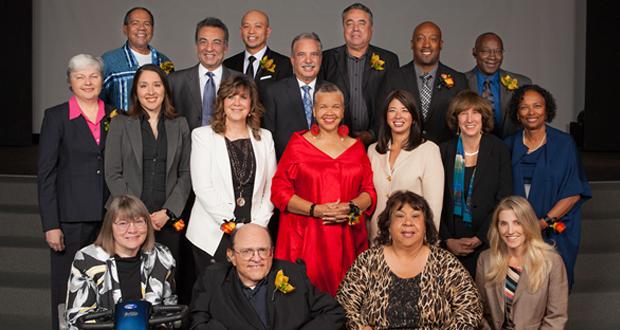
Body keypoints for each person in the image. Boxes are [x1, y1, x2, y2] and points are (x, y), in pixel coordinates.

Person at [271, 82, 377, 296]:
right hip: (306, 241)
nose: (330, 113)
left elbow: (369, 192)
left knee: (345, 304)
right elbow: (279, 191)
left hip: (346, 239)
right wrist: (315, 210)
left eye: (335, 107)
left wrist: (350, 208)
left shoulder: (356, 147)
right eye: (323, 107)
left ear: (343, 110)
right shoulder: (298, 144)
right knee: (305, 304)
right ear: (314, 110)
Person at [37, 54, 113, 330]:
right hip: (69, 219)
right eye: (80, 77)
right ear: (69, 81)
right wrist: (51, 224)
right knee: (66, 287)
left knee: (104, 284)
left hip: (107, 216)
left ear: (102, 80)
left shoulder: (114, 114)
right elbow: (46, 174)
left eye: (93, 75)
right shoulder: (56, 117)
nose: (87, 82)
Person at [337, 191, 482, 329]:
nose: (408, 222)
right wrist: (361, 327)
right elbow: (344, 304)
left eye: (415, 216)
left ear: (425, 226)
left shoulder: (444, 262)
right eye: (400, 216)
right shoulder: (368, 261)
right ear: (388, 225)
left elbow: (471, 308)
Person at [186, 74, 276, 275]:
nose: (237, 103)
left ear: (251, 104)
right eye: (231, 97)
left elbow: (272, 187)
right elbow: (202, 188)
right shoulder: (202, 136)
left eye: (243, 97)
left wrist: (255, 227)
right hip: (212, 233)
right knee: (216, 295)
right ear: (221, 102)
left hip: (255, 230)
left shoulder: (265, 138)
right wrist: (234, 227)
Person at [505, 84, 591, 288]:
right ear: (517, 114)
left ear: (547, 110)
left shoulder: (564, 144)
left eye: (537, 106)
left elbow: (572, 193)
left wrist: (541, 223)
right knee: (517, 291)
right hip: (515, 231)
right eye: (524, 107)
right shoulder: (507, 145)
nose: (531, 112)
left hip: (554, 228)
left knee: (552, 288)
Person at [105, 64, 191, 267]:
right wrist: (137, 215)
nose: (151, 92)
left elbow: (186, 173)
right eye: (144, 86)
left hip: (166, 221)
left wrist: (168, 212)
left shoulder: (180, 124)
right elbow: (112, 173)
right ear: (136, 91)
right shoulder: (120, 123)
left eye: (157, 85)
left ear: (165, 90)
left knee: (167, 282)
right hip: (127, 220)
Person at [190, 224, 345, 329]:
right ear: (231, 256)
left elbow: (334, 313)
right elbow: (197, 323)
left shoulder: (292, 272)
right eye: (247, 251)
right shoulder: (212, 278)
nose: (256, 258)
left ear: (271, 252)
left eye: (263, 250)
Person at [65, 195, 177, 329]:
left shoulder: (162, 256)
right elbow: (77, 317)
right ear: (109, 227)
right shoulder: (87, 260)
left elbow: (170, 311)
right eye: (123, 223)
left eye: (139, 222)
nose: (132, 230)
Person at [440, 90, 512, 276]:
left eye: (475, 112)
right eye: (463, 113)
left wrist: (480, 238)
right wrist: (447, 240)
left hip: (489, 242)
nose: (469, 119)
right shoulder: (444, 151)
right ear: (456, 119)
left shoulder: (498, 149)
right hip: (450, 246)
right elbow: (434, 199)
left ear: (483, 117)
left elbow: (504, 199)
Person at [476, 196, 568, 329]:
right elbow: (479, 310)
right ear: (497, 227)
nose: (510, 231)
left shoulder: (552, 262)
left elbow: (556, 318)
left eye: (517, 222)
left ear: (528, 224)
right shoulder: (485, 259)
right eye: (503, 224)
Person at [368, 89, 444, 241]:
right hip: (377, 239)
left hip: (412, 240)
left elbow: (434, 206)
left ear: (414, 117)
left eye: (404, 110)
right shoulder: (373, 151)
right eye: (392, 110)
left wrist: (429, 244)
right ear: (386, 116)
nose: (398, 116)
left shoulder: (429, 150)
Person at [320, 3, 400, 145]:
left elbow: (393, 102)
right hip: (336, 141)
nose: (355, 29)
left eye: (361, 23)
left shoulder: (389, 60)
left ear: (371, 29)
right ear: (343, 28)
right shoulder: (327, 58)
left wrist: (373, 133)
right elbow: (320, 100)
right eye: (349, 23)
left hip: (378, 142)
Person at [381, 21, 468, 144]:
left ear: (440, 44)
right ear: (412, 44)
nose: (426, 44)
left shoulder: (459, 80)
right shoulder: (393, 78)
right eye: (420, 39)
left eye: (433, 39)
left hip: (445, 155)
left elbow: (464, 122)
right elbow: (382, 120)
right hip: (404, 152)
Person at [261, 32, 327, 159]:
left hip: (325, 171)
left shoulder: (333, 92)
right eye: (301, 54)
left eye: (314, 54)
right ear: (292, 60)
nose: (308, 60)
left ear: (320, 59)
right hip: (287, 171)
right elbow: (268, 140)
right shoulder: (274, 93)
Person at [169, 17, 239, 131]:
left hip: (227, 147)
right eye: (203, 42)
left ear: (225, 47)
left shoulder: (240, 81)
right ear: (196, 45)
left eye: (216, 42)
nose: (209, 48)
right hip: (187, 147)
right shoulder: (175, 81)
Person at [101, 7, 174, 111]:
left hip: (158, 126)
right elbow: (96, 102)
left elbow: (170, 101)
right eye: (135, 23)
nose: (142, 28)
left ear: (152, 29)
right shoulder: (109, 61)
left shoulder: (164, 62)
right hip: (122, 126)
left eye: (147, 24)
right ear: (125, 29)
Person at [465, 32, 532, 138]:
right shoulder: (461, 81)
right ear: (475, 52)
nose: (492, 57)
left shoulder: (522, 83)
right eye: (486, 51)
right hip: (470, 150)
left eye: (498, 51)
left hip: (511, 150)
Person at [223, 10, 292, 89]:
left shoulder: (283, 64)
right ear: (241, 31)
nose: (251, 31)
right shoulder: (228, 64)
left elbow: (285, 97)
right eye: (246, 26)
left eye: (258, 26)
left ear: (268, 32)